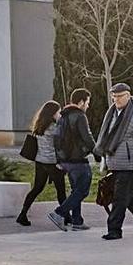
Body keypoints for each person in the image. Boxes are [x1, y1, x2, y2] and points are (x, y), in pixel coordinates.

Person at [94, 82, 133, 240]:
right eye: (114, 96)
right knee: (126, 196)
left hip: (129, 165)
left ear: (128, 96)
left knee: (120, 198)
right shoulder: (111, 114)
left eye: (119, 96)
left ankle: (114, 230)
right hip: (114, 163)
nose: (116, 100)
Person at [49, 88, 97, 232]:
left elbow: (56, 139)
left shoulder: (62, 116)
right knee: (82, 191)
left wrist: (59, 160)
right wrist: (98, 154)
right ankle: (59, 213)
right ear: (81, 102)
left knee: (76, 190)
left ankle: (77, 221)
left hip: (66, 161)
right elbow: (87, 138)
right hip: (78, 160)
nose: (88, 106)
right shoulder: (80, 116)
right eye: (87, 102)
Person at [17, 100, 66, 226]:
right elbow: (63, 138)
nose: (59, 115)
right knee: (61, 191)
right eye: (58, 112)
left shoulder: (39, 126)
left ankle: (22, 214)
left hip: (40, 162)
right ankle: (67, 217)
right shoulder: (53, 128)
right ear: (52, 113)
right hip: (52, 163)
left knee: (37, 188)